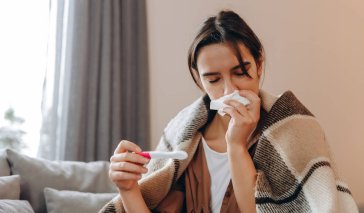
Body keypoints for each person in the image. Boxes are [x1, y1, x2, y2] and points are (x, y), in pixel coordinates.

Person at [100, 10, 358, 213]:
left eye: (240, 72)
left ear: (258, 64)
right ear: (199, 80)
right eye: (213, 80)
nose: (229, 91)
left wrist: (236, 145)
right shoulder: (184, 139)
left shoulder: (296, 129)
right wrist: (128, 190)